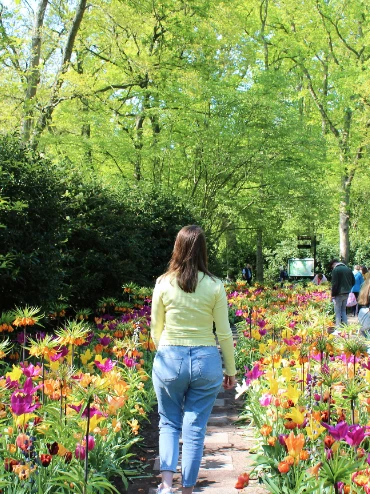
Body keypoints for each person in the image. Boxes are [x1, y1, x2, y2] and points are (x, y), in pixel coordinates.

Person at [151, 225, 236, 494]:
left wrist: (163, 352)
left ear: (177, 247)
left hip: (169, 358)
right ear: (203, 250)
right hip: (206, 361)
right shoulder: (214, 285)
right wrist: (230, 369)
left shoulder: (163, 282)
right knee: (195, 428)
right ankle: (187, 490)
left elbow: (156, 327)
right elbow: (223, 332)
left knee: (168, 422)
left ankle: (166, 485)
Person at [330, 259, 355, 330]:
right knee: (343, 310)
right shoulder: (348, 269)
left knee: (337, 311)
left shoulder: (336, 270)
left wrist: (333, 295)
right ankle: (345, 327)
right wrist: (348, 288)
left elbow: (334, 284)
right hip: (347, 293)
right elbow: (353, 281)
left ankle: (338, 328)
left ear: (333, 264)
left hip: (338, 294)